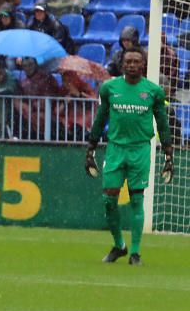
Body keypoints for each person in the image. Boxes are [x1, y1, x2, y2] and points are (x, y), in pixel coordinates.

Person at [87, 50, 173, 267]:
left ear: (143, 64)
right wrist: (91, 147)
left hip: (140, 150)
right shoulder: (110, 88)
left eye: (136, 61)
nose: (132, 65)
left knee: (136, 199)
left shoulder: (153, 91)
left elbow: (162, 123)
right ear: (122, 65)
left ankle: (135, 253)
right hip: (116, 149)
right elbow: (101, 117)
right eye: (128, 61)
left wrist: (168, 152)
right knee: (109, 200)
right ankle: (119, 246)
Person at [14, 56, 61, 140]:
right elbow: (22, 100)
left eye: (30, 65)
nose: (28, 68)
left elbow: (52, 95)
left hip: (47, 113)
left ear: (36, 64)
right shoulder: (23, 83)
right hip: (29, 115)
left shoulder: (47, 78)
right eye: (25, 66)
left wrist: (37, 105)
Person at [57, 69, 95, 141]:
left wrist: (78, 95)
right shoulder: (62, 91)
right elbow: (57, 111)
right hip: (67, 122)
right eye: (64, 80)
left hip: (84, 121)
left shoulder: (85, 87)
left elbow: (91, 104)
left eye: (69, 81)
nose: (66, 84)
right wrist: (65, 103)